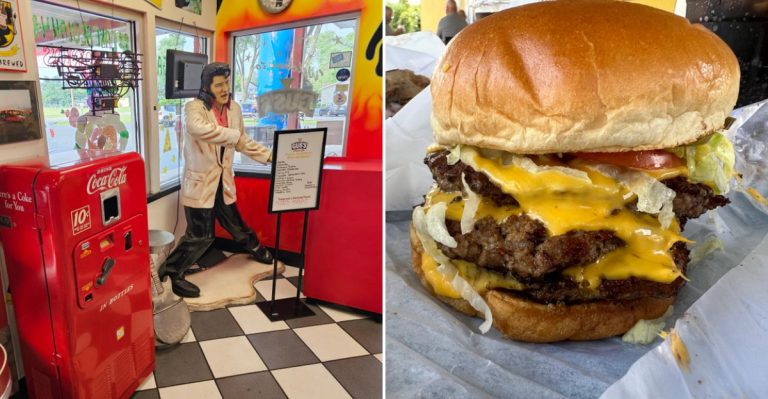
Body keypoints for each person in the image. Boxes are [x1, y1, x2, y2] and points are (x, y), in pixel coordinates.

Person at [161, 62, 274, 298]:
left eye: (227, 83)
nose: (224, 88)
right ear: (207, 86)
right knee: (201, 235)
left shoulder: (235, 109)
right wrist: (234, 136)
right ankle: (171, 273)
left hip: (223, 182)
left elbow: (242, 141)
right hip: (201, 183)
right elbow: (198, 129)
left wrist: (269, 156)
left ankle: (256, 248)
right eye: (219, 84)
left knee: (236, 225)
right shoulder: (195, 108)